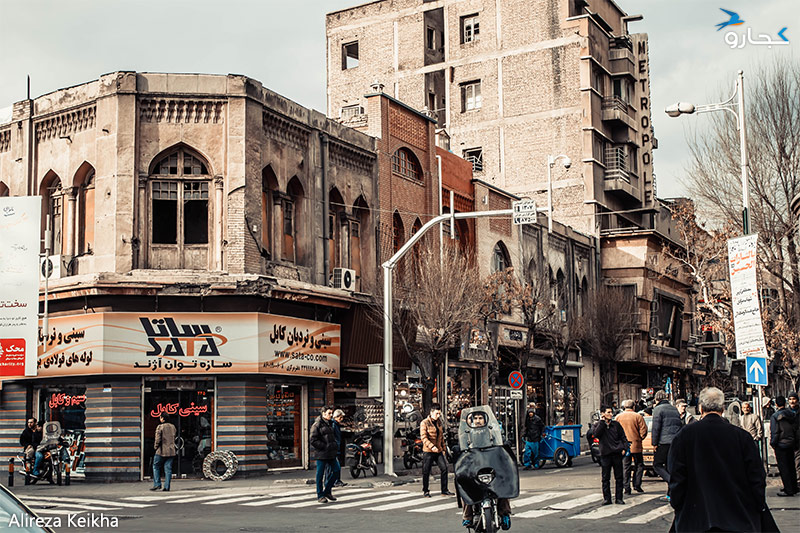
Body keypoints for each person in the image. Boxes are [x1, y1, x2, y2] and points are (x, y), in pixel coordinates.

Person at [667, 387, 775, 532]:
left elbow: (677, 475)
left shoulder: (684, 436)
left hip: (696, 518)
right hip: (738, 517)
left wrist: (677, 503)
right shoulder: (741, 437)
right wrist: (758, 503)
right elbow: (756, 477)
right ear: (723, 408)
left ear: (700, 408)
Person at [460, 411, 512, 530]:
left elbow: (500, 444)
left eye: (480, 418)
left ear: (485, 420)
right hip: (474, 468)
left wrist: (504, 446)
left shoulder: (492, 432)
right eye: (476, 418)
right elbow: (462, 448)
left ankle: (505, 513)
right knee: (463, 484)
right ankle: (467, 516)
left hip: (492, 466)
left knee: (504, 482)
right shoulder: (467, 434)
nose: (478, 421)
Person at [593, 405, 628, 505]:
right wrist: (602, 423)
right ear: (603, 413)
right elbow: (596, 434)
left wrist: (624, 448)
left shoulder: (616, 425)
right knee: (605, 478)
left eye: (611, 412)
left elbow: (623, 437)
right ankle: (607, 498)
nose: (610, 414)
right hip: (605, 454)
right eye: (608, 412)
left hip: (617, 453)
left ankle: (619, 498)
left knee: (619, 477)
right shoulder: (598, 425)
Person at [651, 390, 681, 502]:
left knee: (657, 465)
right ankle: (670, 493)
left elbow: (656, 427)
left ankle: (671, 481)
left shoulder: (658, 409)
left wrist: (654, 443)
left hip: (664, 442)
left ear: (657, 399)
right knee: (670, 467)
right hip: (675, 442)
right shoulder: (673, 408)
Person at [420, 403, 453, 497]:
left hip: (438, 450)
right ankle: (426, 490)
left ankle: (444, 490)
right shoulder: (425, 422)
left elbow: (441, 437)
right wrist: (431, 446)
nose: (438, 415)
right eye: (436, 413)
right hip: (428, 451)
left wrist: (443, 449)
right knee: (426, 471)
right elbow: (424, 437)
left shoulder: (439, 423)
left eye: (439, 413)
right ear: (431, 412)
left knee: (444, 468)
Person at [616, 399, 648, 494]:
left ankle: (626, 487)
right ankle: (637, 484)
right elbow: (643, 430)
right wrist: (639, 438)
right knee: (639, 465)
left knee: (626, 467)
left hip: (624, 446)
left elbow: (615, 431)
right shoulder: (638, 416)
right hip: (636, 444)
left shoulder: (618, 417)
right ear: (633, 407)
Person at [310, 405, 340, 503]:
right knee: (320, 475)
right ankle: (320, 495)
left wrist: (334, 445)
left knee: (336, 471)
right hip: (322, 453)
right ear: (323, 414)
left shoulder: (331, 423)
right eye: (329, 413)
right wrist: (324, 446)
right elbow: (313, 440)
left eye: (331, 413)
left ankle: (327, 490)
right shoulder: (317, 425)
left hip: (331, 453)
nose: (331, 415)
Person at [770, 395, 798, 496]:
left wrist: (773, 443)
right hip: (791, 442)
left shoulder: (775, 416)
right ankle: (793, 487)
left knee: (784, 468)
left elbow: (775, 432)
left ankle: (788, 489)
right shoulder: (791, 414)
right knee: (791, 466)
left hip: (781, 444)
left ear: (776, 404)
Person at [151, 413, 177, 491]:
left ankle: (157, 484)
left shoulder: (160, 427)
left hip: (161, 450)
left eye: (160, 417)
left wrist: (155, 447)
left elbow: (158, 439)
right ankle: (167, 486)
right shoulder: (173, 427)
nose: (160, 419)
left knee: (156, 466)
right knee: (168, 468)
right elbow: (174, 436)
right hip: (171, 450)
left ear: (163, 418)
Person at [329, 409, 348, 488]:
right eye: (340, 418)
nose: (341, 419)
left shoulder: (335, 424)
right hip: (335, 448)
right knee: (336, 466)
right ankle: (336, 481)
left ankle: (335, 481)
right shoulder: (334, 425)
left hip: (336, 447)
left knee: (335, 465)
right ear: (336, 417)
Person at [522, 406, 544, 470]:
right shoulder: (528, 420)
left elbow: (542, 426)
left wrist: (541, 434)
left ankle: (536, 464)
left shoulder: (537, 419)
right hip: (529, 438)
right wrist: (524, 434)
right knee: (527, 452)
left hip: (535, 438)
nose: (530, 414)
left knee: (535, 453)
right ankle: (527, 464)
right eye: (529, 412)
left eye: (531, 412)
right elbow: (527, 428)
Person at [789, 392, 800, 488]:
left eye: (794, 399)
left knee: (798, 463)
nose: (792, 401)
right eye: (790, 399)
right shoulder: (786, 412)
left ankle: (798, 481)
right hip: (789, 441)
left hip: (798, 440)